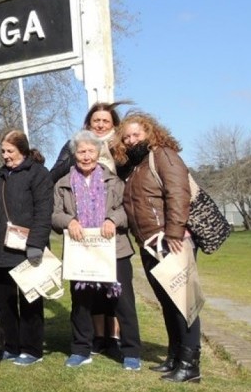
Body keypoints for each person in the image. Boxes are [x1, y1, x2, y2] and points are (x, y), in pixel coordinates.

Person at [113, 111, 202, 383]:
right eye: (126, 137)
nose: (130, 140)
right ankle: (175, 356)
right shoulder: (136, 165)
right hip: (151, 243)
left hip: (171, 239)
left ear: (149, 133)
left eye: (135, 134)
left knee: (182, 301)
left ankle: (190, 365)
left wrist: (174, 231)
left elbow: (178, 193)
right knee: (167, 302)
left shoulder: (163, 155)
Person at [51, 130, 141, 370]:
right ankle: (81, 349)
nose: (86, 156)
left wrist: (112, 219)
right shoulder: (63, 184)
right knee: (81, 303)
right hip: (80, 250)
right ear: (74, 155)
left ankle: (131, 351)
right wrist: (69, 222)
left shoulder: (113, 180)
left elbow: (126, 209)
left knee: (123, 301)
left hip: (114, 250)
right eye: (81, 151)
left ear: (98, 153)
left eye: (91, 151)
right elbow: (55, 214)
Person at [0, 130, 53, 366]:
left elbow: (43, 212)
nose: (5, 155)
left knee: (30, 302)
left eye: (10, 151)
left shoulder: (38, 175)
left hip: (27, 251)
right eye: (3, 151)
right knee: (4, 304)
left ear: (23, 150)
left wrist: (36, 243)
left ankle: (32, 349)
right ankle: (12, 346)